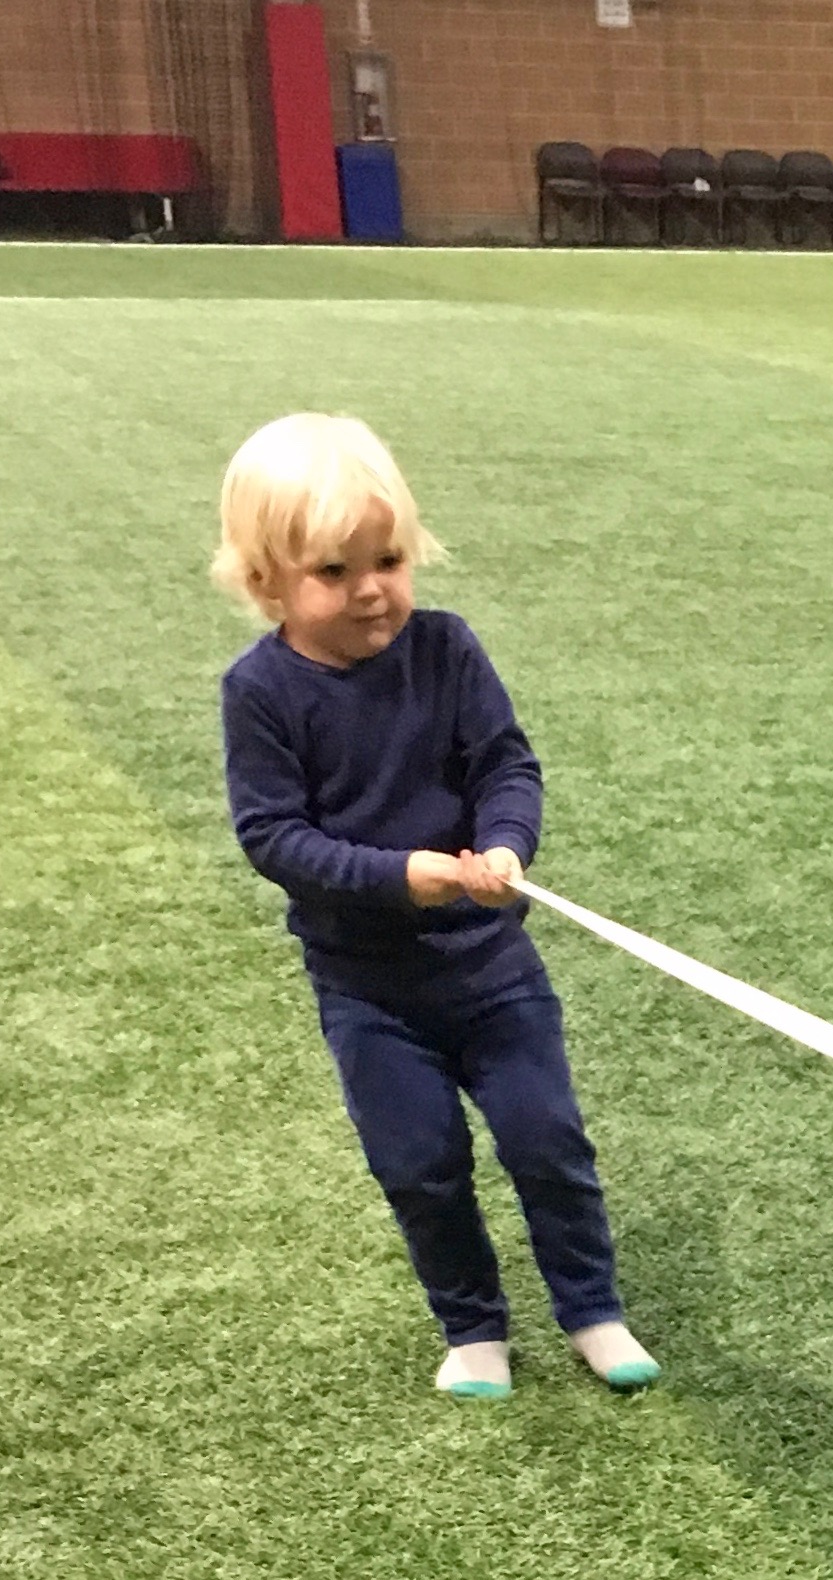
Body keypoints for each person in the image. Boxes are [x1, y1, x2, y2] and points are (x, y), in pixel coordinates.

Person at [215, 412, 656, 1404]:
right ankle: (473, 1330)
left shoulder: (447, 649)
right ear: (267, 582)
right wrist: (399, 874)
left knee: (547, 1141)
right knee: (419, 1164)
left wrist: (505, 844)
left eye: (389, 560)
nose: (373, 589)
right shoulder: (259, 693)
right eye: (335, 572)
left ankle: (592, 1310)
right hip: (369, 990)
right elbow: (272, 836)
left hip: (490, 967)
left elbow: (506, 765)